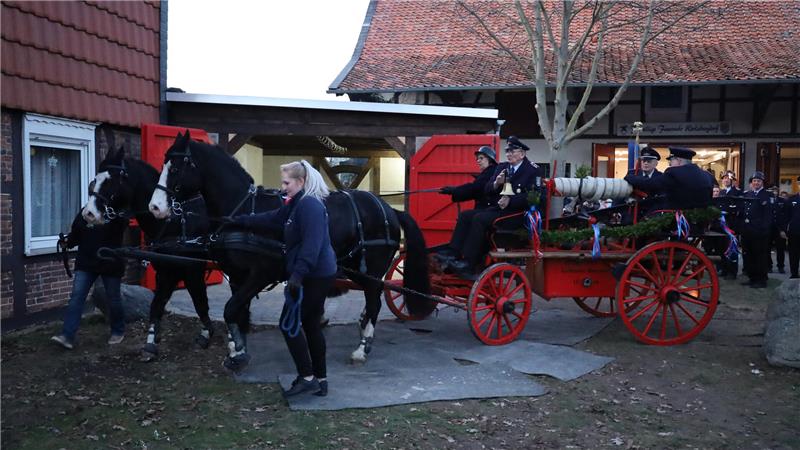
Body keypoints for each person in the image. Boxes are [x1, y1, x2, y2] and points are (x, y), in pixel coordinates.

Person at [232, 161, 336, 397]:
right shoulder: (297, 204)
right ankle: (320, 378)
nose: (283, 187)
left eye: (287, 183)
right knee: (310, 325)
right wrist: (241, 220)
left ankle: (307, 377)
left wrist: (297, 276)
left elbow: (312, 245)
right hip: (312, 274)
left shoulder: (309, 206)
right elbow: (274, 217)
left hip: (313, 275)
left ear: (301, 182)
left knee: (288, 324)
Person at [445, 136, 543, 279]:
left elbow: (537, 197)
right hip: (499, 210)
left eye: (512, 151)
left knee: (480, 219)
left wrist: (511, 201)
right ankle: (453, 254)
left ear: (522, 154)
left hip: (517, 214)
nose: (508, 154)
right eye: (507, 151)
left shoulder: (533, 170)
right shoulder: (502, 167)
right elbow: (487, 190)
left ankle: (469, 264)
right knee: (466, 215)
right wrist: (496, 183)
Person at [50, 210, 127, 349]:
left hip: (110, 262)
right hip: (86, 263)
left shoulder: (115, 213)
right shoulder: (85, 212)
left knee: (113, 299)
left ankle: (118, 330)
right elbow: (76, 234)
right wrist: (68, 242)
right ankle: (67, 336)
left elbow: (122, 225)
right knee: (76, 297)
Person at [624, 146, 714, 211]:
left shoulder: (674, 173)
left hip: (677, 221)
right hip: (701, 222)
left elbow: (651, 184)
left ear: (678, 161)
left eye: (671, 161)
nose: (670, 164)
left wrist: (630, 178)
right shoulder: (707, 175)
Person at [739, 171, 774, 289]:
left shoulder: (766, 196)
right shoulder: (748, 194)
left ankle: (761, 280)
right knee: (748, 255)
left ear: (762, 183)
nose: (756, 183)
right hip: (747, 231)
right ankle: (752, 278)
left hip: (759, 232)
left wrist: (763, 230)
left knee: (760, 257)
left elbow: (768, 216)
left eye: (758, 181)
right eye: (754, 181)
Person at [769, 187, 787, 274]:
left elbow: (785, 216)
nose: (774, 192)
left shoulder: (783, 201)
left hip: (779, 228)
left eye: (775, 190)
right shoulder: (767, 200)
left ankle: (781, 266)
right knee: (767, 248)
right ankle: (769, 266)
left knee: (780, 249)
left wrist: (783, 229)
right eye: (772, 190)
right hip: (769, 228)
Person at [784, 181, 800, 279]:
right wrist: (784, 230)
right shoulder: (792, 199)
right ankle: (794, 274)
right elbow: (786, 216)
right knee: (794, 253)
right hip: (794, 231)